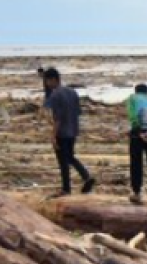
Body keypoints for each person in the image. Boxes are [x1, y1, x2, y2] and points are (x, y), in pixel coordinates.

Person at [43, 67, 95, 195]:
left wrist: (53, 136)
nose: (47, 84)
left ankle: (67, 188)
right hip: (73, 129)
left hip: (62, 132)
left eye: (47, 81)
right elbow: (77, 112)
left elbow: (57, 118)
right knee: (70, 157)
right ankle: (85, 177)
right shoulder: (72, 92)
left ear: (53, 79)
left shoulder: (55, 95)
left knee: (63, 160)